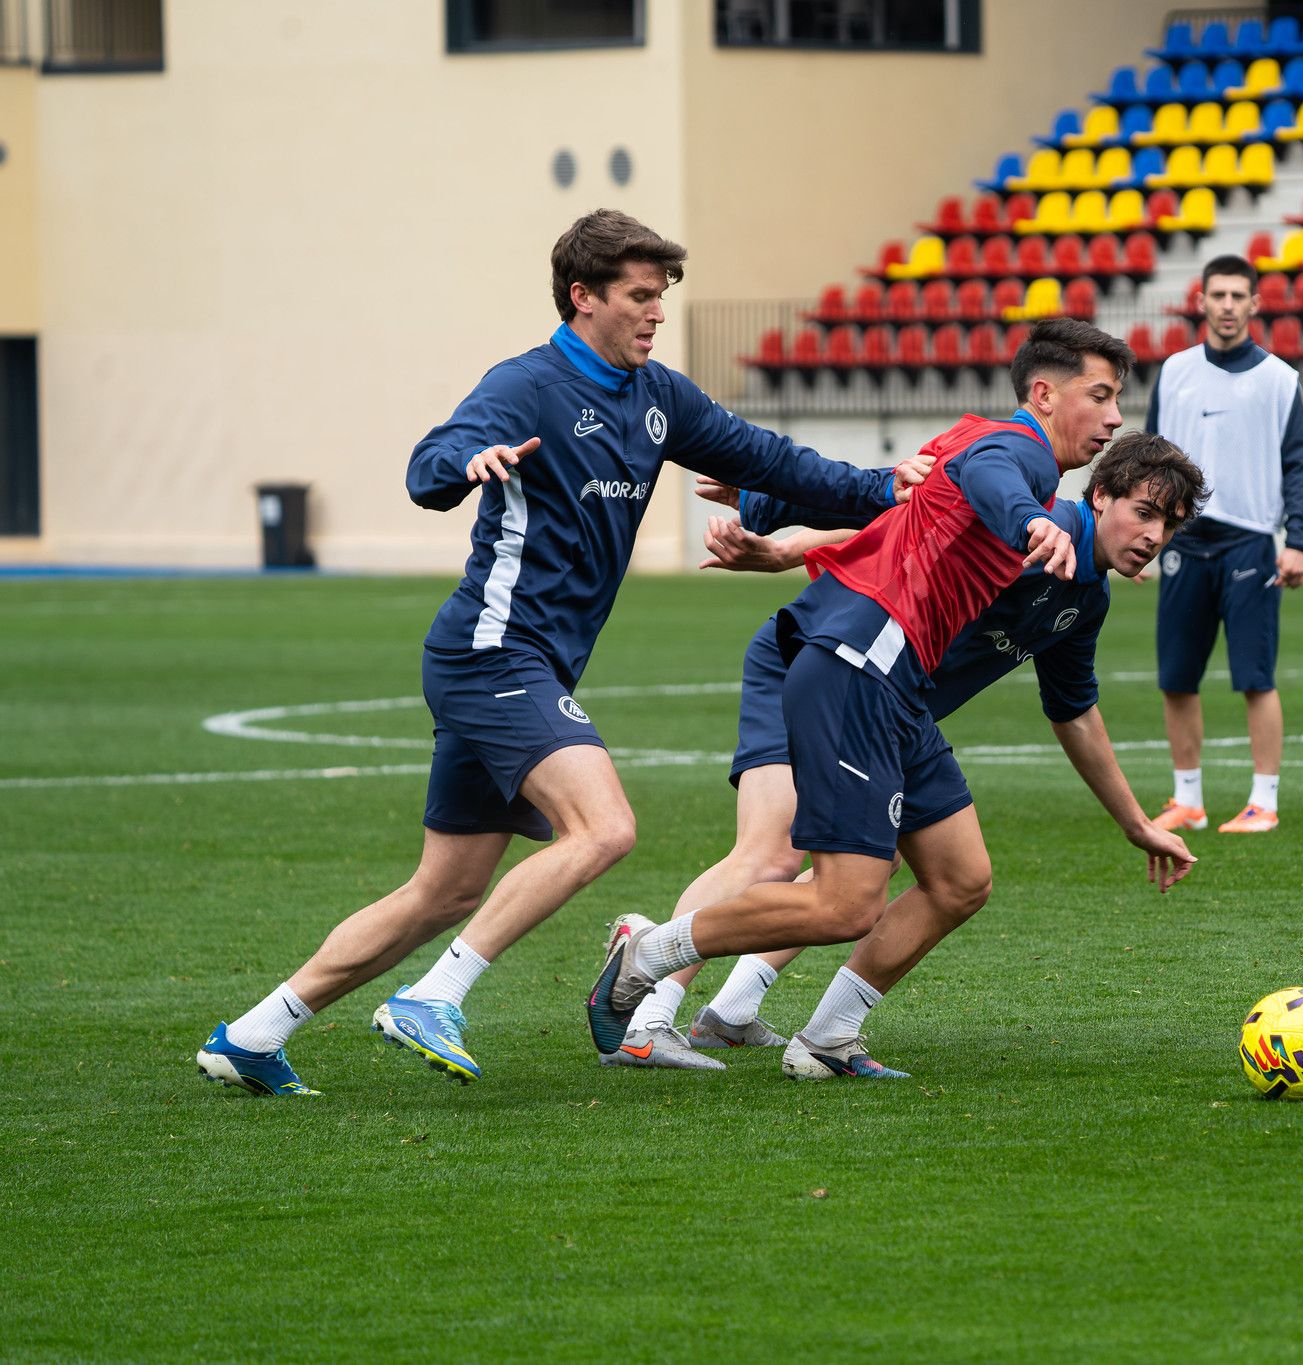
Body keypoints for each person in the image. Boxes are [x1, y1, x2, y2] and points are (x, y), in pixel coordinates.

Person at [194, 209, 920, 1097]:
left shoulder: (659, 397)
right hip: (491, 654)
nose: (657, 313)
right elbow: (434, 458)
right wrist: (469, 462)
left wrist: (886, 488)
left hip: (527, 664)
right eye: (639, 296)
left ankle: (255, 1033)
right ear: (584, 296)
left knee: (445, 890)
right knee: (606, 827)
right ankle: (435, 995)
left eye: (663, 296)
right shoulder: (529, 384)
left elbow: (773, 460)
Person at [586, 321, 1198, 1080]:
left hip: (892, 690)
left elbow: (906, 494)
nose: (1112, 419)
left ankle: (825, 1037)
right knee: (832, 892)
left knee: (960, 877)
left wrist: (1137, 823)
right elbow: (984, 477)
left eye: (1167, 524)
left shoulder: (1079, 588)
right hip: (853, 663)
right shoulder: (1022, 455)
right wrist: (1031, 518)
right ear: (1045, 394)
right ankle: (650, 956)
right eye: (1100, 397)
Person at [1146, 254, 1303, 834]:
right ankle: (1187, 798)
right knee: (1176, 676)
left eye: (1237, 296)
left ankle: (1263, 801)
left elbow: (1298, 465)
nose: (1226, 306)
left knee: (1255, 676)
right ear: (1201, 300)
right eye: (1217, 295)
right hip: (1183, 541)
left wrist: (1298, 540)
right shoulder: (1173, 372)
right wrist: (1142, 535)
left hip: (1250, 543)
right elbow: (1147, 460)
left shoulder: (1279, 379)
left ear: (1254, 304)